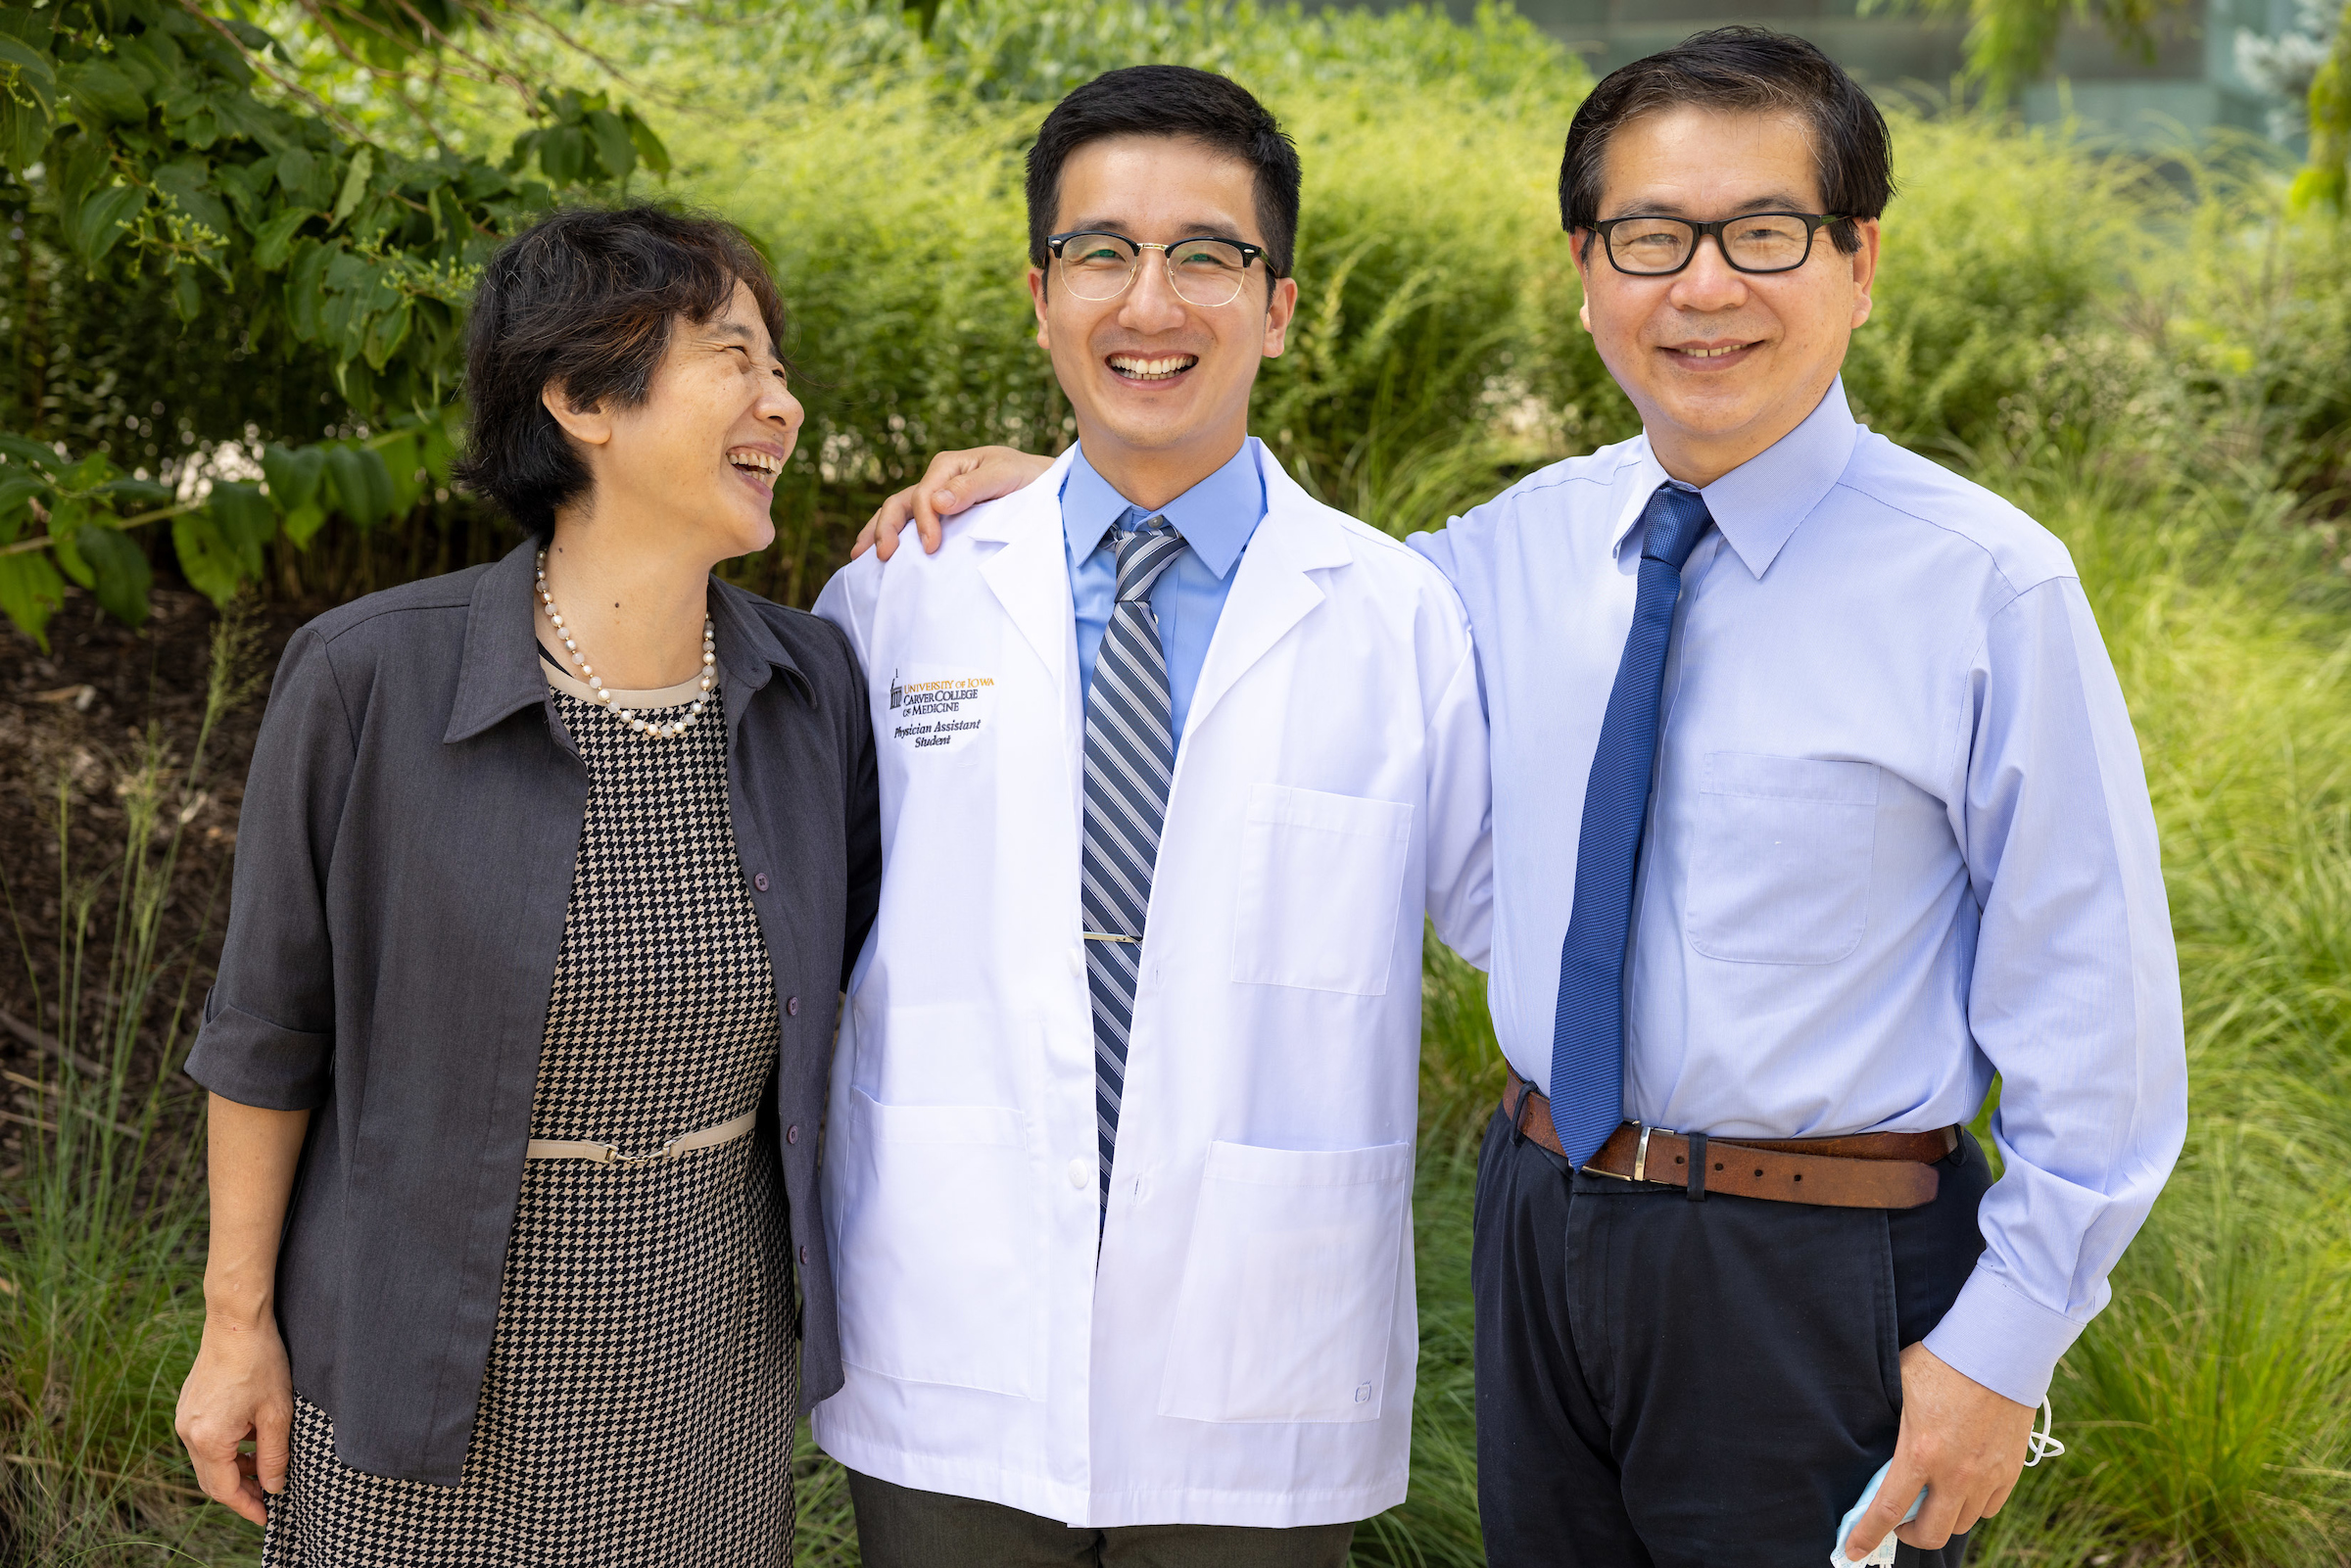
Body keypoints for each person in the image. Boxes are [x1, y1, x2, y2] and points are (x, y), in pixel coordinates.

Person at [854, 27, 2186, 1568]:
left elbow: (2100, 1019)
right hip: (1548, 1231)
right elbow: (1266, 576)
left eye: (1763, 234)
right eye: (1650, 237)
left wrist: (2001, 1350)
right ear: (1587, 268)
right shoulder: (1502, 557)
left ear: (1858, 258)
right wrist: (1077, 481)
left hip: (1819, 1260)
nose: (1703, 286)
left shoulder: (1987, 587)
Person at [810, 65, 1492, 1567]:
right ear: (1040, 293)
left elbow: (1522, 929)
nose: (1150, 302)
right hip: (953, 1324)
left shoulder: (1399, 617)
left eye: (1207, 255)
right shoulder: (897, 595)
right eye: (1103, 253)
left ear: (1284, 305)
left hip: (1259, 1353)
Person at [172, 204, 882, 1564]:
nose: (782, 405)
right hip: (427, 1348)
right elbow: (267, 1032)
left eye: (781, 368)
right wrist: (235, 1324)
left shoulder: (810, 689)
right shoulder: (367, 675)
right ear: (578, 396)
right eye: (735, 357)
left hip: (703, 1356)